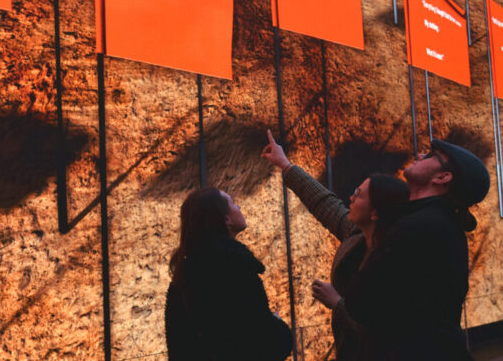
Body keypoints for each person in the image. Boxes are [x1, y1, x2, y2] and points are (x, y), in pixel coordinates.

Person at [261, 130, 408, 360]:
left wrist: (337, 303)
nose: (351, 197)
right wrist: (286, 165)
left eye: (359, 195)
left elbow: (385, 332)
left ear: (376, 212)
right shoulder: (358, 236)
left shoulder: (394, 263)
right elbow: (325, 204)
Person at [341, 139, 491, 361]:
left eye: (430, 156)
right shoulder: (437, 222)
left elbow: (359, 301)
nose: (420, 155)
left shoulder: (417, 227)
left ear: (442, 178)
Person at [165, 187, 292, 360]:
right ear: (226, 219)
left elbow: (179, 347)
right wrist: (277, 325)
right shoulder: (237, 268)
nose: (239, 207)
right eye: (233, 203)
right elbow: (265, 344)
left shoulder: (183, 275)